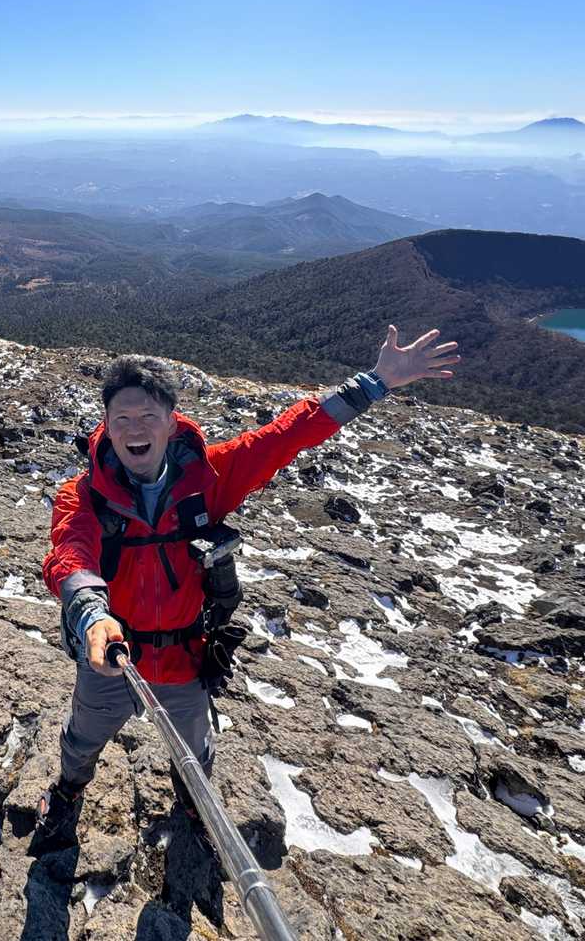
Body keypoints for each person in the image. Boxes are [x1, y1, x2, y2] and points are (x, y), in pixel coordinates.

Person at [33, 325, 460, 850]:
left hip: (186, 657)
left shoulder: (210, 476)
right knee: (83, 737)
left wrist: (376, 382)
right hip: (113, 653)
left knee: (193, 751)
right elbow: (70, 554)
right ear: (106, 425)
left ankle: (193, 806)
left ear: (171, 421)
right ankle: (69, 790)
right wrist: (91, 613)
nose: (135, 429)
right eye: (122, 419)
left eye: (148, 416)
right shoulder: (83, 495)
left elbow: (286, 435)